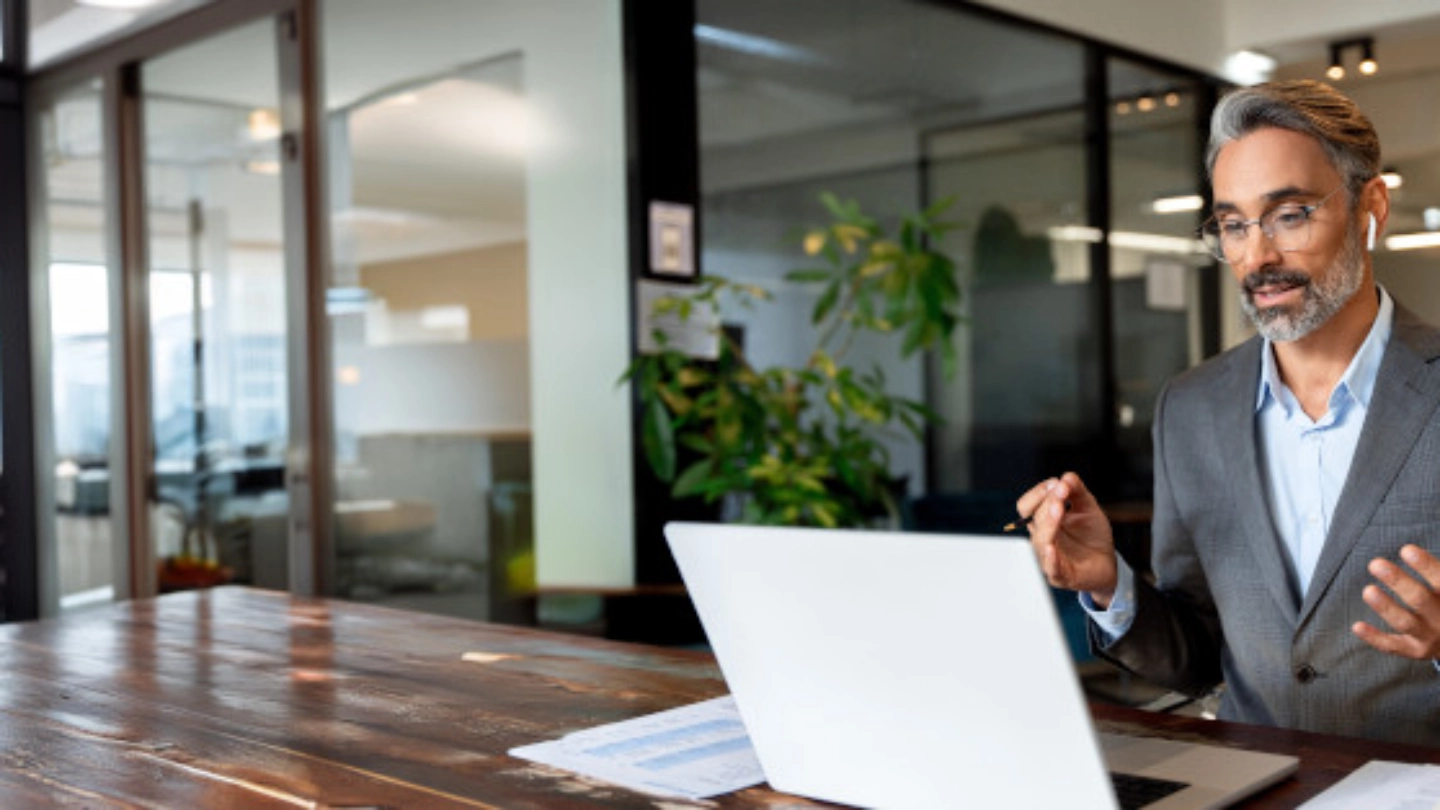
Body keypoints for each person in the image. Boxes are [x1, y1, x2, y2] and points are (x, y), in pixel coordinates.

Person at [1017, 79, 1440, 745]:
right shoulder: (1191, 408)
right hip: (1257, 784)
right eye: (1234, 224)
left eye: (1289, 214)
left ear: (1372, 206)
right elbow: (1197, 654)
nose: (1257, 257)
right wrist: (1110, 584)